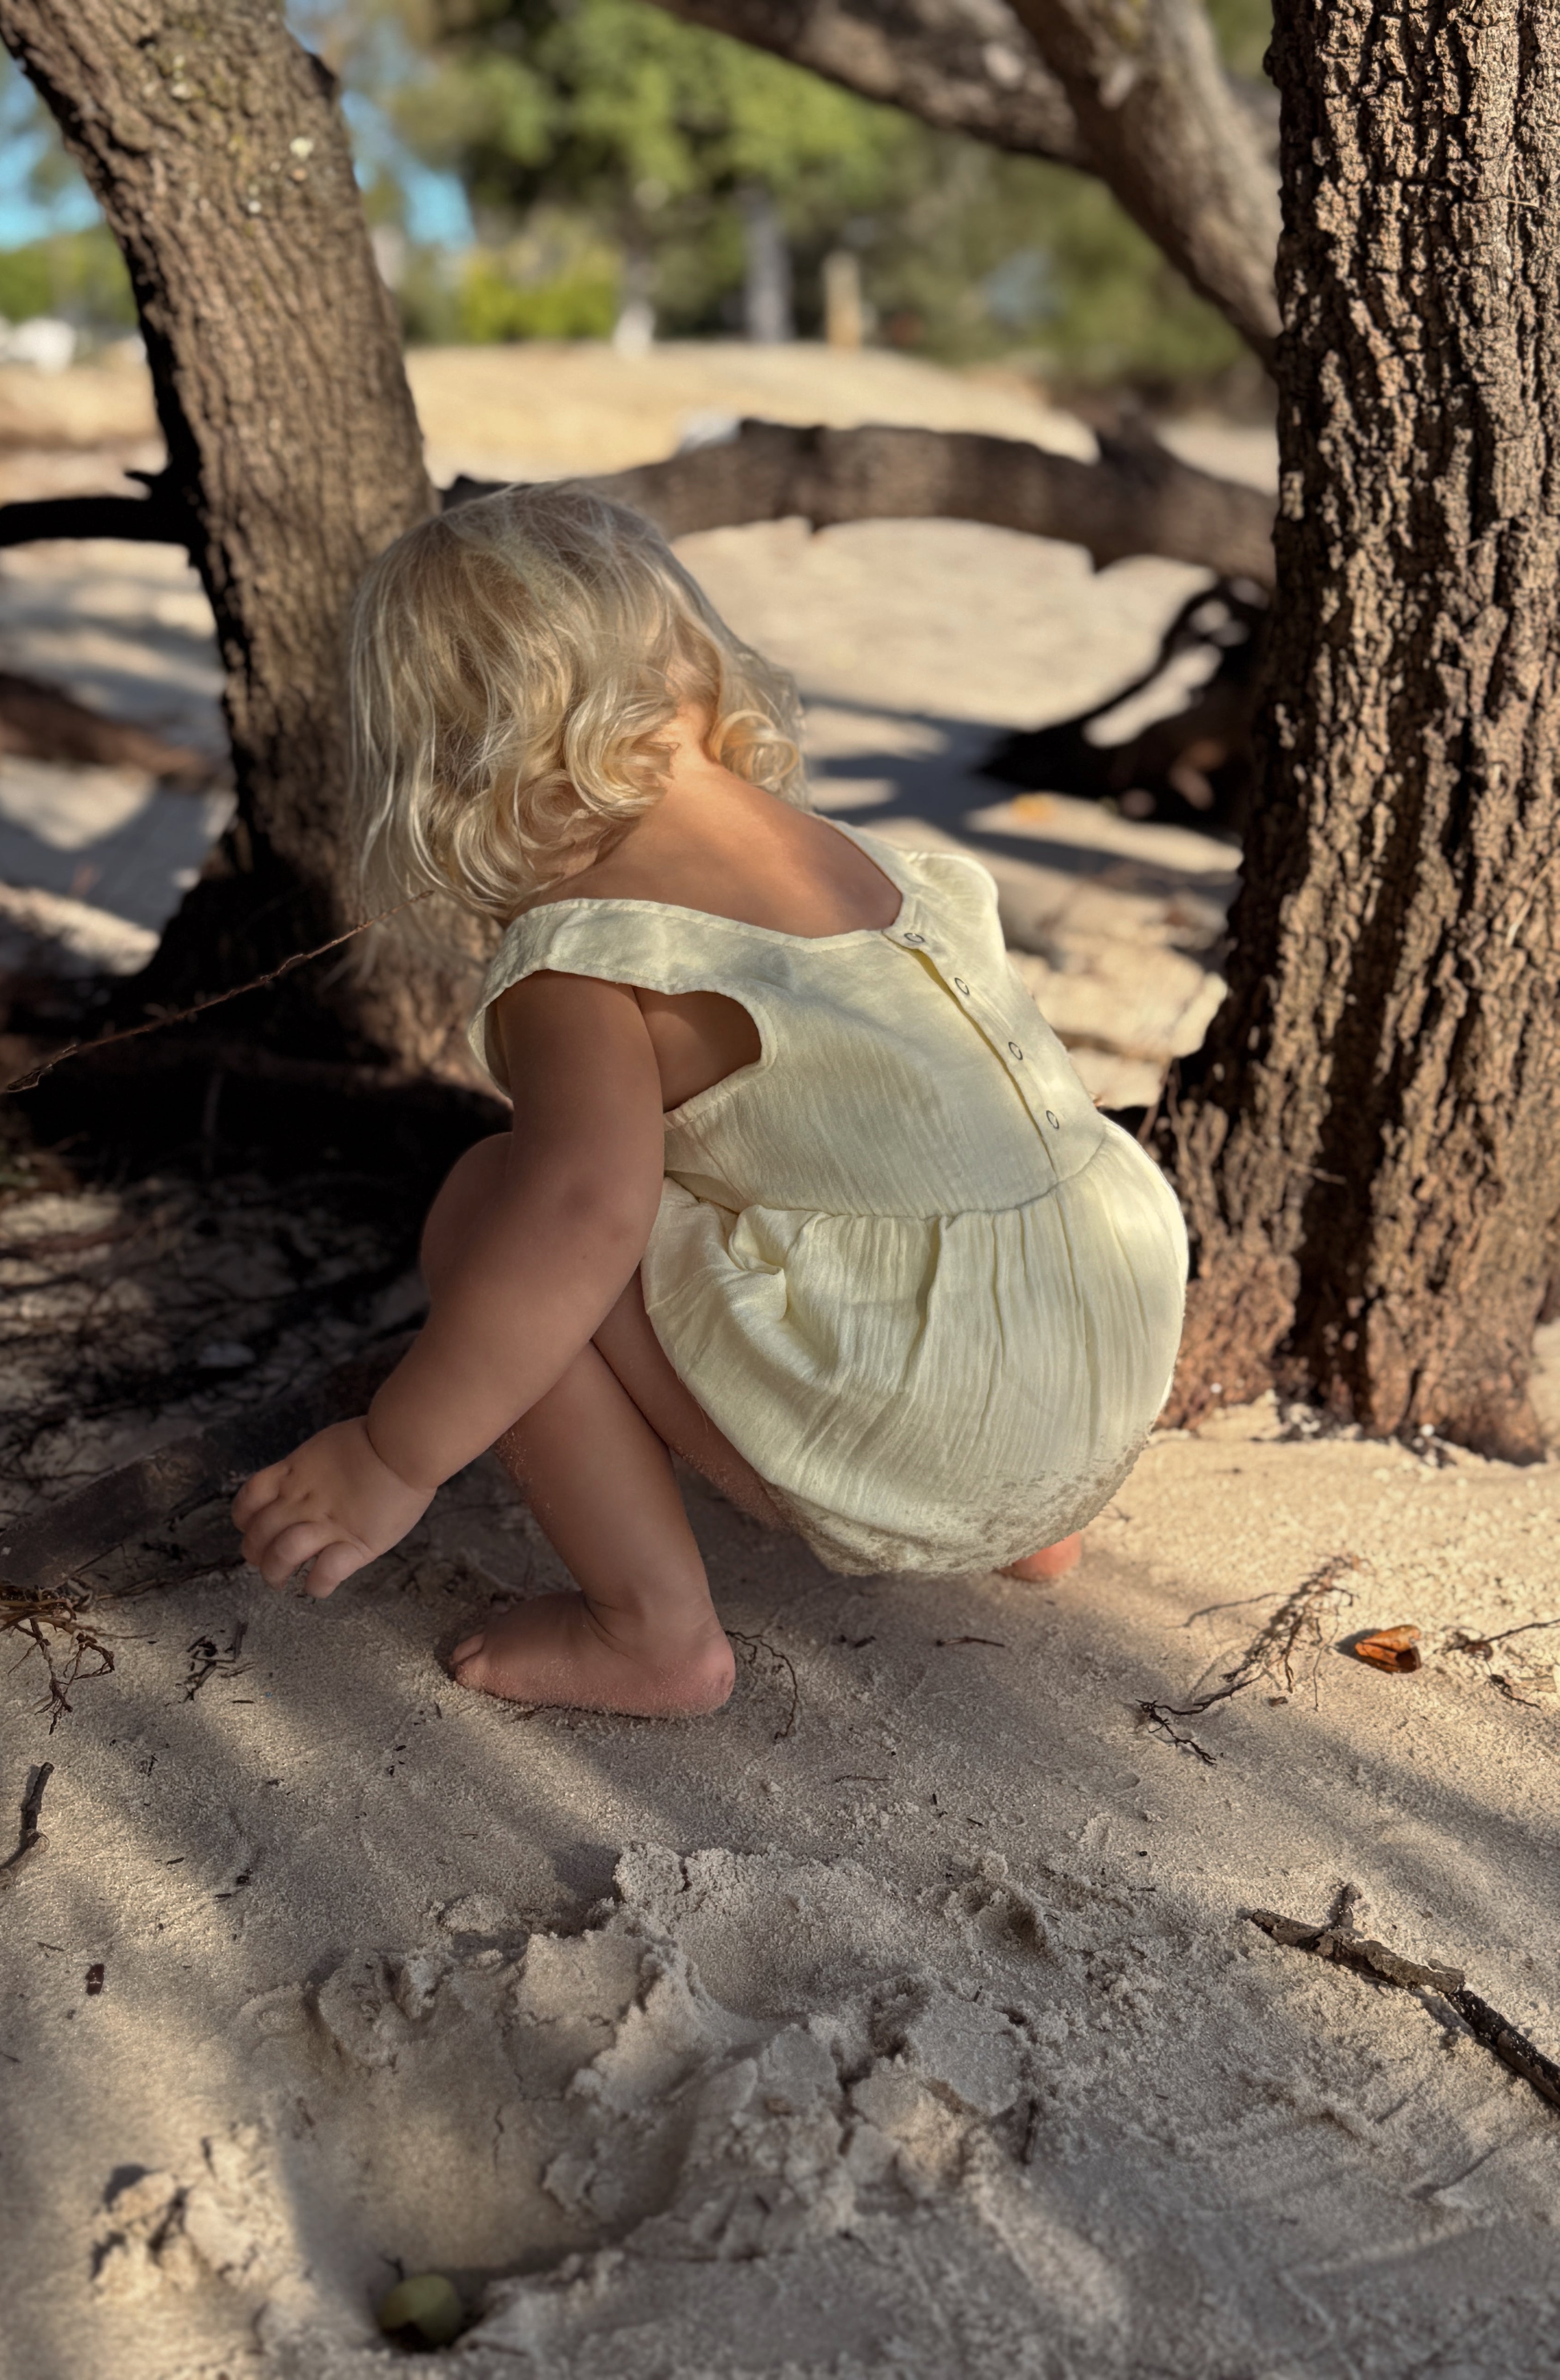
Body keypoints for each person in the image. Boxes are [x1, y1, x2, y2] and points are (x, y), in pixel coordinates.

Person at [232, 485, 1187, 1716]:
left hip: (928, 1429)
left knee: (496, 1201)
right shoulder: (845, 854)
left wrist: (391, 1456)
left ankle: (652, 1634)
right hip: (1101, 1369)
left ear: (444, 760)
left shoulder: (588, 955)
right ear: (688, 666)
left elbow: (580, 1217)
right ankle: (1032, 1532)